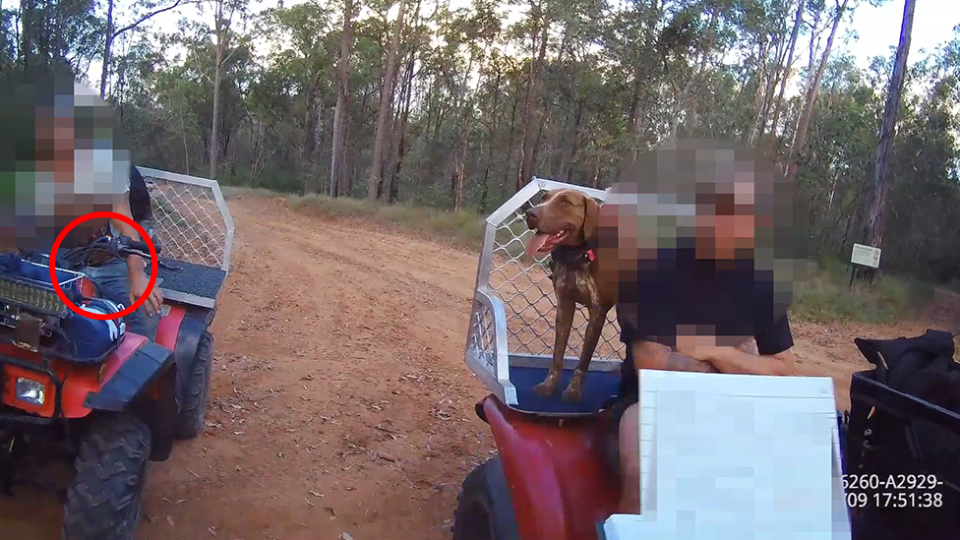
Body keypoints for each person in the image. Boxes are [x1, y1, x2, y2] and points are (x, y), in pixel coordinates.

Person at [600, 141, 799, 514]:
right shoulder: (649, 269)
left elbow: (784, 370)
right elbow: (654, 365)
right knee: (648, 467)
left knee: (800, 476)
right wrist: (745, 360)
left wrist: (712, 351)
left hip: (740, 413)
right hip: (653, 406)